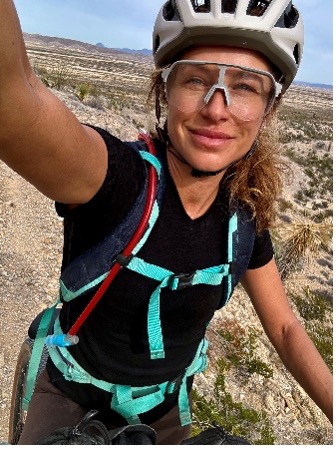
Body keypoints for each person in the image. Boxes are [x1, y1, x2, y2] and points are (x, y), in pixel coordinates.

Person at [0, 0, 332, 445]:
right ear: (164, 89)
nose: (217, 109)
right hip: (69, 394)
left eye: (247, 87)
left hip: (164, 409)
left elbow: (286, 328)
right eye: (196, 79)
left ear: (269, 109)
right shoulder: (116, 182)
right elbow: (10, 95)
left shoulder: (243, 216)